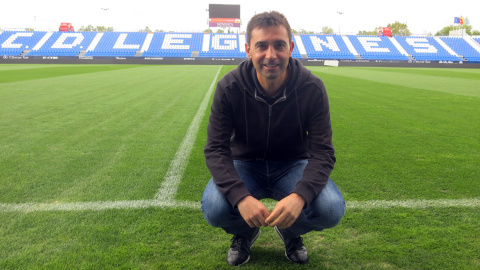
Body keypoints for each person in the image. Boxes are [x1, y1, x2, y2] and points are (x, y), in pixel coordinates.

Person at [201, 11, 345, 266]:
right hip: (244, 164)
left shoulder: (312, 88)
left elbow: (323, 151)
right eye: (261, 46)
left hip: (292, 164)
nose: (271, 55)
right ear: (248, 50)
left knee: (331, 209)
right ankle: (244, 233)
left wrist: (299, 196)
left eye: (279, 45)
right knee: (215, 208)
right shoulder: (230, 87)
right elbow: (215, 148)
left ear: (290, 47)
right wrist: (240, 197)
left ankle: (290, 232)